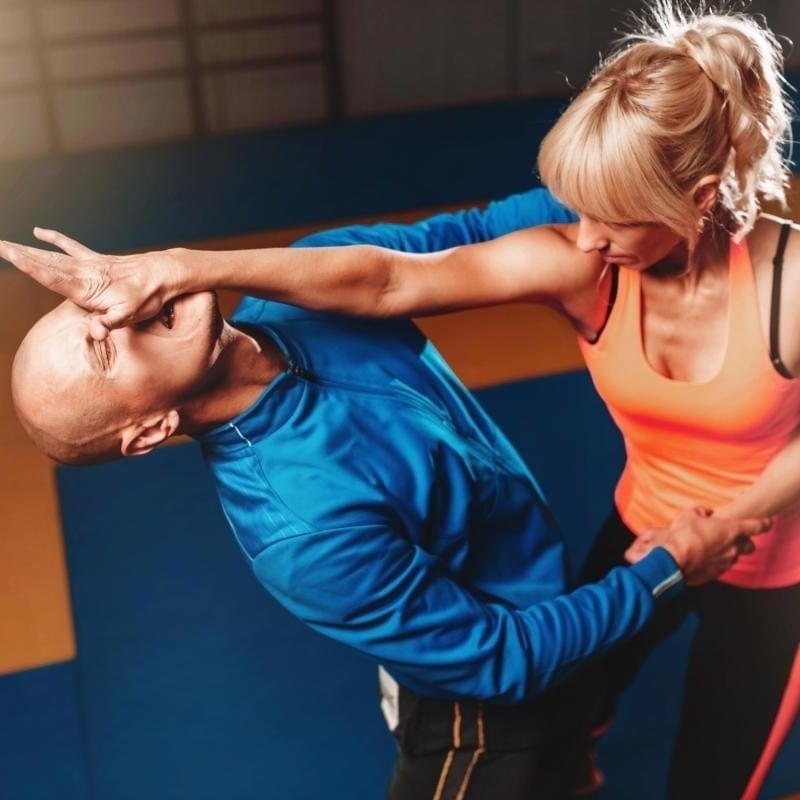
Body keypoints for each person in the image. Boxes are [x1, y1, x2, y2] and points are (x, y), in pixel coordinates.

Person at [7, 4, 796, 798]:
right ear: (148, 431)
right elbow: (502, 659)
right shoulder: (300, 528)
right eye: (105, 340)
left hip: (570, 588)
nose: (124, 305)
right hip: (483, 695)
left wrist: (188, 263)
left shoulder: (310, 288)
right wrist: (665, 570)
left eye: (99, 302)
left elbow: (431, 255)